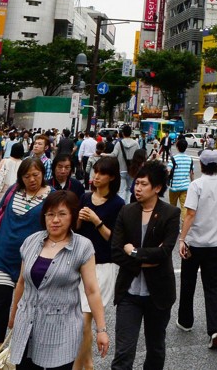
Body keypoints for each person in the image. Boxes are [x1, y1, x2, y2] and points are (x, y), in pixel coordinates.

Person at [8, 190, 110, 370]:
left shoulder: (82, 246)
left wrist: (101, 330)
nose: (55, 220)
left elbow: (92, 290)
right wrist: (14, 315)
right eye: (50, 214)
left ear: (72, 216)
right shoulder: (31, 242)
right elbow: (22, 283)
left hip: (62, 328)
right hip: (28, 324)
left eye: (62, 214)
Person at [0, 156, 52, 354]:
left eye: (36, 175)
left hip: (30, 261)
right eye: (27, 176)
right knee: (0, 302)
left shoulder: (50, 196)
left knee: (26, 306)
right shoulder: (13, 191)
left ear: (43, 174)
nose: (32, 180)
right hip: (2, 255)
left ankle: (23, 346)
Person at [111, 161, 180, 370]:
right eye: (136, 183)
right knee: (123, 352)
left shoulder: (170, 213)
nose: (137, 188)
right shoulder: (127, 211)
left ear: (157, 188)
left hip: (158, 293)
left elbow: (164, 252)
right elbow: (115, 251)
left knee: (156, 348)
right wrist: (145, 261)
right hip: (129, 293)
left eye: (143, 184)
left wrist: (133, 251)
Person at [177, 148, 217, 347]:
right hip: (215, 242)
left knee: (188, 282)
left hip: (195, 242)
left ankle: (185, 321)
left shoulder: (196, 185)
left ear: (201, 164)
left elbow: (190, 214)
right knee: (212, 287)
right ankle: (215, 330)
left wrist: (182, 238)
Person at [74, 155, 124, 370]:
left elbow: (115, 240)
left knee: (85, 318)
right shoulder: (85, 198)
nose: (96, 176)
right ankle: (87, 364)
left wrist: (96, 221)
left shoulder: (118, 204)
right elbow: (75, 230)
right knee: (79, 318)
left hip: (104, 264)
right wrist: (79, 218)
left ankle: (79, 366)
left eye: (102, 173)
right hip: (80, 262)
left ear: (112, 177)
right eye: (95, 171)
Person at [167, 136, 195, 209]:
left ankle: (173, 220)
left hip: (174, 187)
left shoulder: (173, 159)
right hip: (185, 187)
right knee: (184, 207)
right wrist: (193, 183)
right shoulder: (190, 159)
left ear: (177, 147)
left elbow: (168, 170)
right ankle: (184, 220)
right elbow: (192, 173)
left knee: (172, 206)